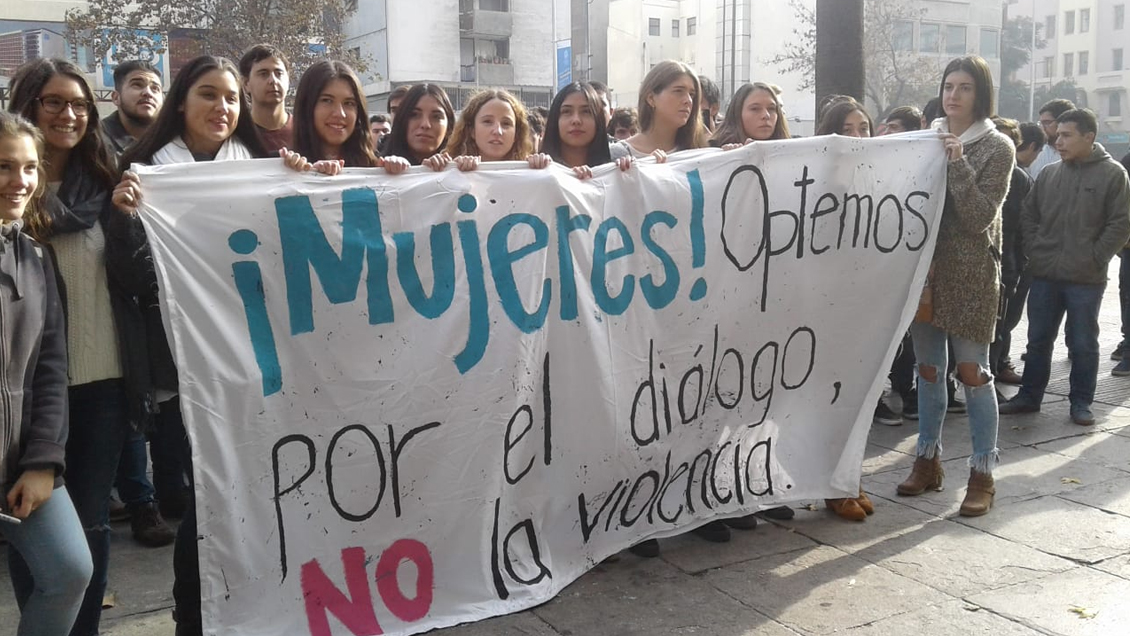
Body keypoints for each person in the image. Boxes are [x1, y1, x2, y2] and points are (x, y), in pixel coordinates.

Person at [111, 54, 291, 636]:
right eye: (208, 94)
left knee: (257, 488)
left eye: (231, 98)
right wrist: (130, 220)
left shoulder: (262, 168)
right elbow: (130, 279)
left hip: (259, 356)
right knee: (207, 496)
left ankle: (255, 607)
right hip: (186, 364)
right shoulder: (143, 171)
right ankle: (194, 614)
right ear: (180, 103)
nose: (222, 107)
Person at [7, 57, 154, 636]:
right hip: (27, 390)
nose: (68, 115)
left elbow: (137, 281)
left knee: (89, 525)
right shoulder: (13, 186)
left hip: (104, 379)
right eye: (52, 102)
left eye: (78, 105)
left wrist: (122, 222)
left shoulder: (110, 179)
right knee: (33, 528)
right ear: (27, 106)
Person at [896, 56, 1014, 518]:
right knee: (928, 371)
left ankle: (982, 473)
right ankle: (927, 461)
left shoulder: (997, 145)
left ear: (980, 94)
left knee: (974, 375)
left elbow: (980, 216)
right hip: (925, 274)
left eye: (965, 87)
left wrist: (958, 163)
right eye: (949, 85)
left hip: (971, 277)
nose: (954, 94)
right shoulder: (927, 137)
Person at [0, 108, 94, 636]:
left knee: (69, 571)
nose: (21, 182)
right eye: (5, 167)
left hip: (21, 462)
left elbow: (52, 367)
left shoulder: (35, 256)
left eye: (30, 168)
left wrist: (42, 462)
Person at [999, 108, 1130, 425]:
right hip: (1045, 274)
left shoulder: (1113, 175)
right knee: (1037, 341)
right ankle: (1030, 396)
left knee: (1084, 344)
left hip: (1086, 278)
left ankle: (1081, 402)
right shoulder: (1050, 174)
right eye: (1057, 135)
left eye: (1067, 135)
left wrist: (1096, 256)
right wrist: (1035, 249)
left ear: (1089, 137)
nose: (1058, 141)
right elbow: (1029, 216)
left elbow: (1121, 222)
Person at [100, 58, 177, 549]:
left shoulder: (169, 151)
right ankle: (141, 501)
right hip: (127, 288)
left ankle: (169, 492)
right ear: (115, 94)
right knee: (134, 398)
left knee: (170, 404)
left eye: (154, 85)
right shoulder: (101, 146)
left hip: (171, 292)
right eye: (136, 85)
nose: (147, 93)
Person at [988, 117, 1033, 387]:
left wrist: (1022, 262)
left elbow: (1028, 224)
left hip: (1009, 265)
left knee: (1003, 325)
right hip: (975, 263)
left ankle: (997, 369)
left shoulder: (1020, 179)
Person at [428, 89, 550, 171]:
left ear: (517, 134)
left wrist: (543, 170)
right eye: (487, 122)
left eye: (506, 124)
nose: (497, 131)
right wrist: (434, 170)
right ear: (471, 130)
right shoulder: (449, 170)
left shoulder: (532, 171)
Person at [613, 60, 707, 164]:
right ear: (651, 98)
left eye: (692, 94)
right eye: (678, 91)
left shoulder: (699, 152)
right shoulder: (616, 155)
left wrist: (727, 158)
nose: (688, 100)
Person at [292, 60, 379, 167]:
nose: (340, 113)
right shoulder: (281, 167)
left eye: (348, 103)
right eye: (327, 100)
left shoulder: (377, 168)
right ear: (306, 105)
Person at [540, 82, 613, 171]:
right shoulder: (536, 171)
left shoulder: (615, 172)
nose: (576, 120)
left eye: (586, 111)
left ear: (598, 119)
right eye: (566, 111)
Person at [381, 84, 455, 166]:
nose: (426, 124)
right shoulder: (379, 169)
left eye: (436, 117)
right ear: (401, 121)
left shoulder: (462, 170)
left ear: (449, 127)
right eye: (414, 114)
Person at [238, 43, 293, 154]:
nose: (273, 80)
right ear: (246, 83)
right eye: (263, 74)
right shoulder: (237, 134)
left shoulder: (306, 131)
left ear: (288, 80)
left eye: (279, 73)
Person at [101, 60, 163, 154]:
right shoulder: (95, 140)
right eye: (137, 85)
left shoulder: (176, 141)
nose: (148, 93)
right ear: (116, 98)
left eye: (155, 88)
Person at [709, 82, 790, 146]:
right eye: (755, 109)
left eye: (771, 109)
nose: (766, 115)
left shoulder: (794, 148)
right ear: (738, 113)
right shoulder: (712, 151)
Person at [1027, 98, 1075, 178]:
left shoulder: (1077, 155)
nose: (1042, 128)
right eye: (1040, 123)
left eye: (1047, 123)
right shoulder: (1035, 153)